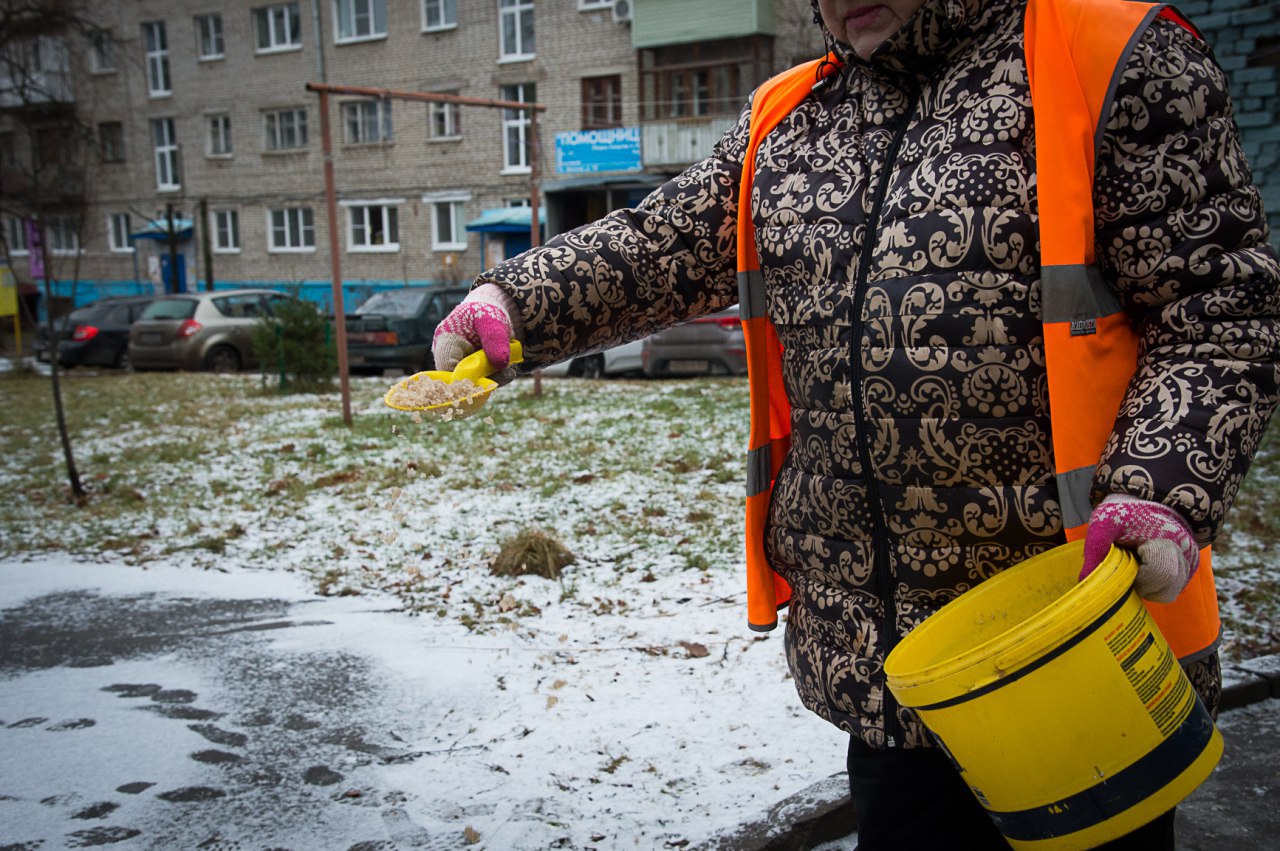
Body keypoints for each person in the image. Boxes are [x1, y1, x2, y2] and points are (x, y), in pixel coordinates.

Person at [432, 0, 1280, 847]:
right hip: (893, 679)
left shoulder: (1112, 52)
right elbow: (662, 241)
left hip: (1079, 648)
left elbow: (1221, 307)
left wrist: (1159, 489)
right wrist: (513, 302)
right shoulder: (793, 117)